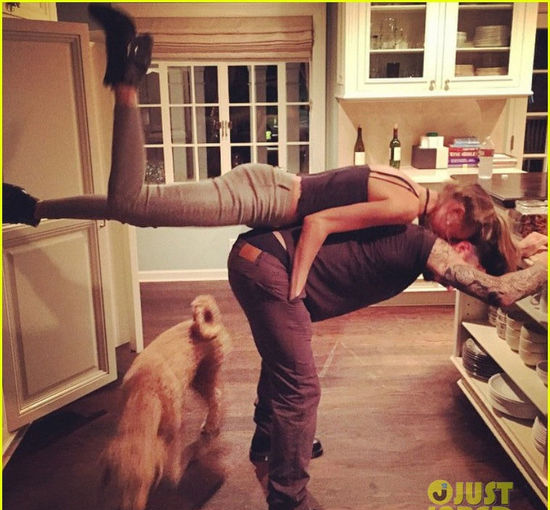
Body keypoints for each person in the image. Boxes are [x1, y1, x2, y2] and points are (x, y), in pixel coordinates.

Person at [3, 5, 519, 300]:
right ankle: (126, 83)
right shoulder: (406, 206)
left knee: (133, 207)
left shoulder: (407, 187)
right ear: (454, 211)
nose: (448, 241)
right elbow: (318, 224)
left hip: (268, 188)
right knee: (131, 204)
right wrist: (297, 288)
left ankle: (31, 207)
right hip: (263, 198)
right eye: (457, 235)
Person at [227, 223, 546, 510]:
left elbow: (479, 255)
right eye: (476, 270)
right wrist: (545, 267)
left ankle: (269, 439)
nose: (460, 284)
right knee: (300, 390)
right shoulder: (425, 245)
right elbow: (500, 292)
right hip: (268, 267)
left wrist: (518, 248)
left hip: (257, 256)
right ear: (462, 248)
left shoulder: (418, 238)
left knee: (285, 353)